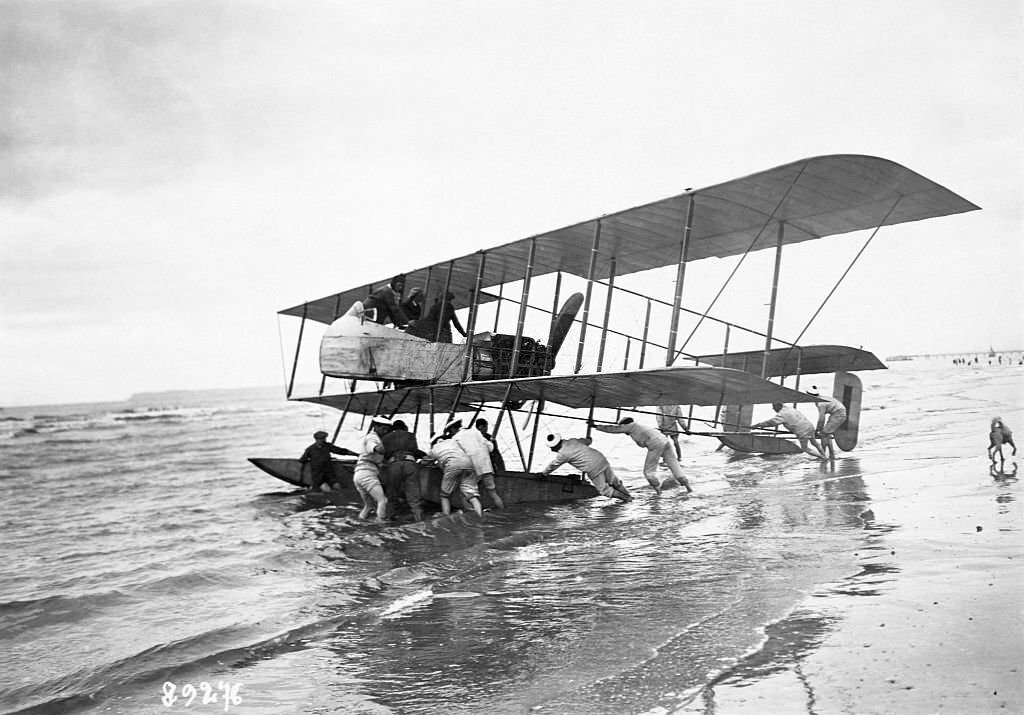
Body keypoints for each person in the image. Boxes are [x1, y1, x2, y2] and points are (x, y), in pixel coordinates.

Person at [591, 417, 691, 494]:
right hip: (664, 441)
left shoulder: (629, 426)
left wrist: (596, 426)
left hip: (655, 444)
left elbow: (613, 429)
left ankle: (658, 492)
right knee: (674, 464)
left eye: (622, 427)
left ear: (625, 424)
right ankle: (688, 487)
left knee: (648, 472)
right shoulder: (639, 426)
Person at [542, 433, 631, 501]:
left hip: (593, 467)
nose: (551, 449)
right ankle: (628, 495)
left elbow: (553, 465)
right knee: (614, 482)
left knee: (604, 490)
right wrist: (589, 439)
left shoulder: (563, 454)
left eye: (552, 447)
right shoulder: (573, 441)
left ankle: (626, 499)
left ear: (555, 445)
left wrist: (544, 474)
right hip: (601, 459)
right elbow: (587, 441)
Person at [424, 430, 483, 517]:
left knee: (445, 495)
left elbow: (426, 461)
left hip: (453, 466)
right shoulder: (453, 442)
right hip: (469, 464)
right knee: (471, 495)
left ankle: (446, 515)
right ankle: (480, 516)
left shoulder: (435, 448)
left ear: (435, 442)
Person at [450, 418, 504, 510]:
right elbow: (491, 447)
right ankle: (502, 510)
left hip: (473, 468)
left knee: (466, 494)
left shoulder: (455, 439)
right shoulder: (476, 433)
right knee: (493, 493)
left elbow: (456, 455)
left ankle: (472, 515)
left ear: (453, 429)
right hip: (487, 467)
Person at [382, 419, 426, 521]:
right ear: (404, 427)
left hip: (394, 465)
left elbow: (384, 455)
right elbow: (415, 451)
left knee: (392, 494)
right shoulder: (410, 435)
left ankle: (389, 520)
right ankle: (419, 519)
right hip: (410, 464)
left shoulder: (386, 437)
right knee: (414, 496)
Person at [353, 416, 393, 521]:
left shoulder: (373, 437)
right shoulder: (372, 437)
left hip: (359, 474)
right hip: (367, 473)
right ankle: (381, 525)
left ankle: (360, 521)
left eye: (387, 429)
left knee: (368, 506)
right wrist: (385, 449)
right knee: (382, 501)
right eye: (384, 429)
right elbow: (375, 448)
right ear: (376, 427)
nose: (386, 431)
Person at [752, 403, 826, 459]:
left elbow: (770, 423)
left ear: (777, 407)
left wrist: (757, 425)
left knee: (805, 448)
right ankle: (824, 454)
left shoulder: (781, 415)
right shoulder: (790, 409)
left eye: (773, 407)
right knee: (814, 442)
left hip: (802, 432)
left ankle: (822, 458)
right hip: (809, 426)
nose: (773, 409)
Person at [808, 386, 847, 454]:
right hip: (839, 413)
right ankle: (831, 454)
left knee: (824, 433)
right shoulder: (822, 398)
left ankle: (823, 454)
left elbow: (821, 418)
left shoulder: (820, 404)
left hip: (838, 414)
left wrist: (817, 430)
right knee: (827, 434)